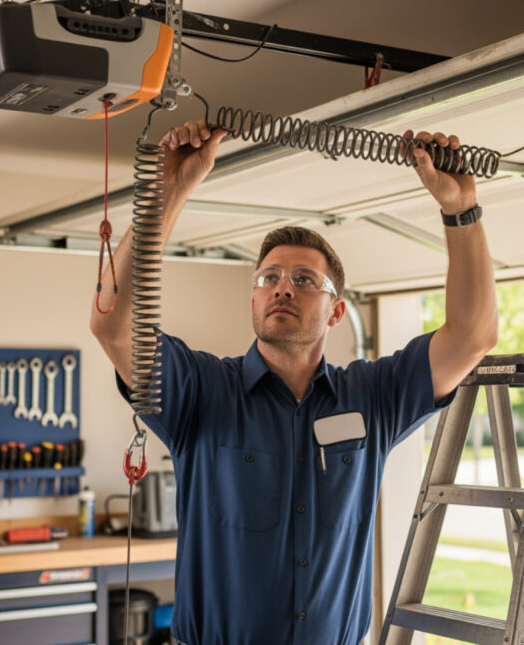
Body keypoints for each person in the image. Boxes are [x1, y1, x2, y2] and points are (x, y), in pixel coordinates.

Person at [91, 120, 498, 645]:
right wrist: (170, 191)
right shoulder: (201, 392)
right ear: (254, 298)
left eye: (305, 280)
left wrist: (460, 210)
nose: (283, 287)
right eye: (269, 277)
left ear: (336, 312)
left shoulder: (372, 398)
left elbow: (472, 336)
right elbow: (112, 324)